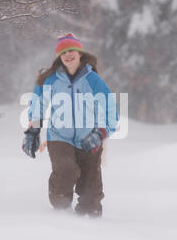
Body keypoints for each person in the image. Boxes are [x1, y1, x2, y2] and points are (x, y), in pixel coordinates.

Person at [22, 33, 118, 218]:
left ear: (80, 53)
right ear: (60, 57)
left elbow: (110, 111)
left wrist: (100, 133)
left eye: (71, 50)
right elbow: (38, 105)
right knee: (66, 170)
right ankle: (60, 215)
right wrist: (33, 131)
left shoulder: (93, 81)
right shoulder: (51, 80)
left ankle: (89, 228)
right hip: (60, 137)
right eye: (63, 52)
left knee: (91, 197)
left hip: (89, 138)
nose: (68, 55)